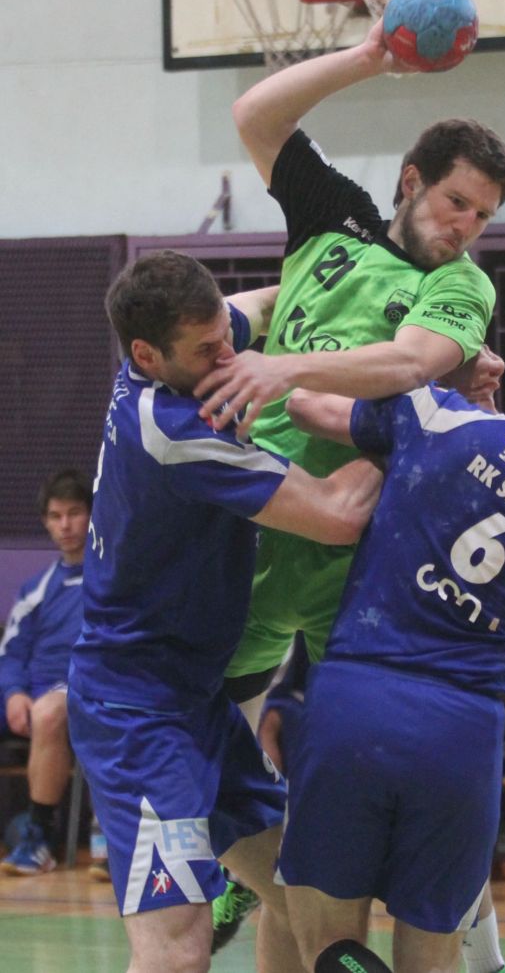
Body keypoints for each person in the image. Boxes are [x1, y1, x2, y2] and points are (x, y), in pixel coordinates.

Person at [197, 19, 505, 965]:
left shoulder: (463, 288)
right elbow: (255, 114)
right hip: (256, 527)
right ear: (413, 181)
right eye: (456, 202)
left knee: (398, 804)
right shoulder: (333, 216)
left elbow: (413, 361)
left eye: (483, 216)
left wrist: (282, 366)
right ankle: (248, 874)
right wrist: (373, 56)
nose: (464, 227)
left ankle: (487, 957)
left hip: (359, 558)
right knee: (211, 771)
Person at [277, 345, 505, 973]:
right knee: (433, 961)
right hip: (462, 736)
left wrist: (433, 374)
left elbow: (305, 405)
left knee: (326, 945)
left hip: (356, 703)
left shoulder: (438, 418)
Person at [66, 250, 381, 973]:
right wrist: (410, 420)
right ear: (147, 355)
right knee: (178, 952)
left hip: (195, 702)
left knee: (302, 890)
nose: (228, 356)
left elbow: (265, 304)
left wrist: (356, 280)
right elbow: (337, 515)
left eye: (223, 336)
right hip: (137, 718)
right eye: (208, 350)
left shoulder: (185, 348)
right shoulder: (176, 432)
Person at [0, 469, 91, 877]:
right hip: (32, 693)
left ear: (92, 516)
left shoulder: (113, 580)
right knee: (40, 708)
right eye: (56, 516)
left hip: (82, 691)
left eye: (74, 513)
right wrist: (13, 693)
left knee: (49, 712)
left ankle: (37, 838)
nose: (65, 525)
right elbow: (11, 652)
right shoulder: (36, 589)